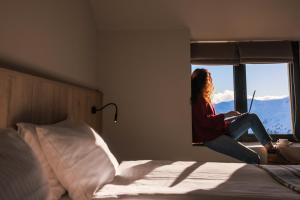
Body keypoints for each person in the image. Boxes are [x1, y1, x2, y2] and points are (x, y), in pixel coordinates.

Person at [191, 68, 288, 164]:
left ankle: (271, 151)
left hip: (219, 132)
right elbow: (204, 122)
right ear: (203, 82)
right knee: (254, 158)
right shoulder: (197, 99)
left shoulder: (205, 99)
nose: (211, 82)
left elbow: (211, 121)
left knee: (251, 117)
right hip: (211, 138)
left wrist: (227, 120)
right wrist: (225, 115)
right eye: (209, 79)